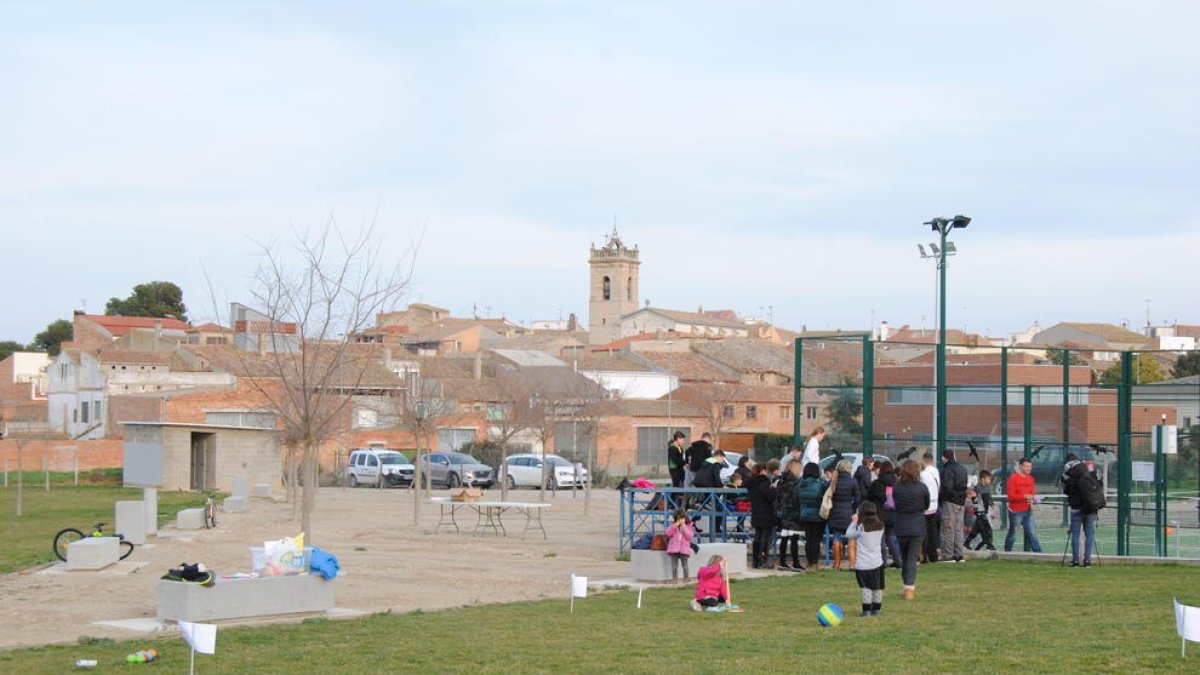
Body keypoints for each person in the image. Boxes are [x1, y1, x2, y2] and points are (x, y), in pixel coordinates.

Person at [893, 459, 930, 600]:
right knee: (912, 558)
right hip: (917, 526)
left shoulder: (897, 487)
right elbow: (926, 506)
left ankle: (905, 586)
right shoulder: (922, 487)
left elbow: (896, 504)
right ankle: (909, 587)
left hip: (901, 525)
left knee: (904, 557)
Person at [845, 502, 886, 617]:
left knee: (866, 587)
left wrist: (854, 522)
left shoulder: (861, 528)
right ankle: (877, 609)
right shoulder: (881, 526)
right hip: (877, 562)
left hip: (863, 564)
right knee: (878, 586)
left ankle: (866, 610)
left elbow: (848, 534)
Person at [1062, 454, 1099, 567]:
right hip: (1090, 507)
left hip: (1076, 508)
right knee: (1089, 534)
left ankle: (1075, 560)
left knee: (1075, 534)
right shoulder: (1088, 470)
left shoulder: (1068, 474)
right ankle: (1087, 561)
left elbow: (1066, 490)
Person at [866, 460, 901, 568]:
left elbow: (869, 496)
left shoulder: (877, 483)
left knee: (880, 539)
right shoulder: (897, 483)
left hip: (880, 514)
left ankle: (882, 562)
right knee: (891, 538)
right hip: (893, 514)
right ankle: (898, 560)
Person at [1004, 458, 1042, 552]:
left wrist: (1034, 499)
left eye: (1030, 466)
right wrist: (1024, 496)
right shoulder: (1013, 479)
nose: (1029, 468)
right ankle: (1007, 552)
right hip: (1016, 511)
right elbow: (1011, 496)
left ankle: (1038, 553)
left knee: (1032, 533)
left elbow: (1031, 494)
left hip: (1028, 511)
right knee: (1013, 533)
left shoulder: (1031, 479)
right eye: (1027, 466)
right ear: (1021, 466)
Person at [795, 461, 829, 569]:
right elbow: (828, 490)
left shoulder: (801, 484)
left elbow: (796, 495)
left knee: (808, 539)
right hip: (818, 515)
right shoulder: (821, 484)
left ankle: (809, 561)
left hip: (804, 514)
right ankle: (814, 562)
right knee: (816, 539)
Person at [827, 460, 860, 570]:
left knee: (836, 538)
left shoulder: (833, 481)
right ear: (849, 469)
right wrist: (854, 510)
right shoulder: (853, 481)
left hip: (835, 512)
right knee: (851, 538)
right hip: (849, 513)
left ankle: (836, 564)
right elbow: (857, 498)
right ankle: (852, 564)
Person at [774, 459, 805, 571]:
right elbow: (796, 498)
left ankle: (782, 562)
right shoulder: (796, 482)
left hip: (783, 511)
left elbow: (777, 496)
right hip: (793, 511)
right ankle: (795, 563)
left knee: (784, 537)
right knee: (794, 538)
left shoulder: (782, 480)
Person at [938, 448, 968, 563]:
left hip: (950, 502)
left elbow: (947, 488)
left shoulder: (947, 470)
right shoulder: (962, 469)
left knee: (948, 528)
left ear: (944, 458)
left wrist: (941, 499)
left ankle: (947, 555)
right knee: (958, 529)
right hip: (961, 502)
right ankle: (959, 554)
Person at [746, 462, 778, 568]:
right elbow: (770, 497)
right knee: (765, 538)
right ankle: (763, 560)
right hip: (766, 513)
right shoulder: (764, 482)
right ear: (763, 471)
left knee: (757, 536)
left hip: (756, 512)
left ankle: (756, 561)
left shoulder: (751, 483)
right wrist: (773, 488)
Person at [964, 470, 996, 551]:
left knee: (976, 529)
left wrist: (992, 504)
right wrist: (976, 508)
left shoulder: (987, 488)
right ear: (982, 479)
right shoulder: (977, 488)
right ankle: (989, 544)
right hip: (979, 512)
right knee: (987, 529)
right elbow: (973, 499)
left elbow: (989, 498)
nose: (989, 480)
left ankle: (967, 543)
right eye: (988, 478)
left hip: (984, 511)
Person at [920, 453, 941, 563]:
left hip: (925, 507)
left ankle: (924, 555)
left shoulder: (923, 474)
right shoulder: (936, 471)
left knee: (924, 532)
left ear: (923, 461)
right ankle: (933, 556)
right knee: (933, 532)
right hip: (934, 505)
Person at [665, 509, 695, 583]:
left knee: (685, 565)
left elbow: (690, 536)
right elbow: (668, 533)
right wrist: (675, 525)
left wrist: (684, 526)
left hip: (684, 548)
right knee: (674, 565)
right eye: (678, 518)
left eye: (681, 518)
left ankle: (686, 578)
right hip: (674, 548)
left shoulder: (689, 526)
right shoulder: (673, 526)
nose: (680, 520)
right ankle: (674, 579)